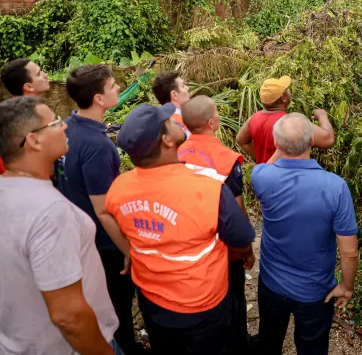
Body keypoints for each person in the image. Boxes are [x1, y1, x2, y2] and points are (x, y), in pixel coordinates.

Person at [0, 97, 122, 355]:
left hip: (16, 343)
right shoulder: (50, 212)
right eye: (55, 122)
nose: (64, 126)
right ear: (34, 141)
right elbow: (69, 317)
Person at [104, 104, 255, 355]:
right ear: (166, 140)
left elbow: (122, 223)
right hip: (203, 306)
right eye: (169, 121)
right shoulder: (209, 191)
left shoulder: (118, 188)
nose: (176, 120)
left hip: (152, 301)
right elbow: (241, 243)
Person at [251, 113, 358, 355]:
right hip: (315, 292)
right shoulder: (336, 187)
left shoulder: (261, 177)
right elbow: (349, 251)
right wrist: (346, 287)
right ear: (312, 141)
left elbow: (270, 165)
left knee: (269, 343)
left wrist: (282, 144)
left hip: (271, 284)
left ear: (276, 144)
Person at [59, 64, 147, 355]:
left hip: (77, 231)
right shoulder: (97, 145)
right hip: (103, 241)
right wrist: (127, 249)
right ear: (98, 98)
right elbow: (103, 209)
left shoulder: (65, 128)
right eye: (112, 86)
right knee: (117, 304)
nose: (118, 88)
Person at [178, 95, 253, 353]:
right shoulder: (226, 159)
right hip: (221, 246)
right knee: (233, 299)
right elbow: (238, 210)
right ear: (212, 123)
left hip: (185, 240)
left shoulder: (174, 153)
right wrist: (246, 249)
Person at [236, 76, 335, 163]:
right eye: (287, 90)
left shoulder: (253, 118)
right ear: (283, 98)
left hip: (265, 174)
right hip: (287, 176)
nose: (289, 91)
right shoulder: (289, 122)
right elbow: (328, 139)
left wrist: (262, 157)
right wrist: (322, 116)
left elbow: (241, 140)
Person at [0, 57, 50, 173]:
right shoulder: (16, 119)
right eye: (39, 74)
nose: (45, 75)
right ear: (28, 86)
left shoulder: (34, 109)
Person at [152, 70, 191, 137]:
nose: (188, 88)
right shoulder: (179, 123)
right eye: (183, 86)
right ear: (174, 94)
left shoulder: (161, 121)